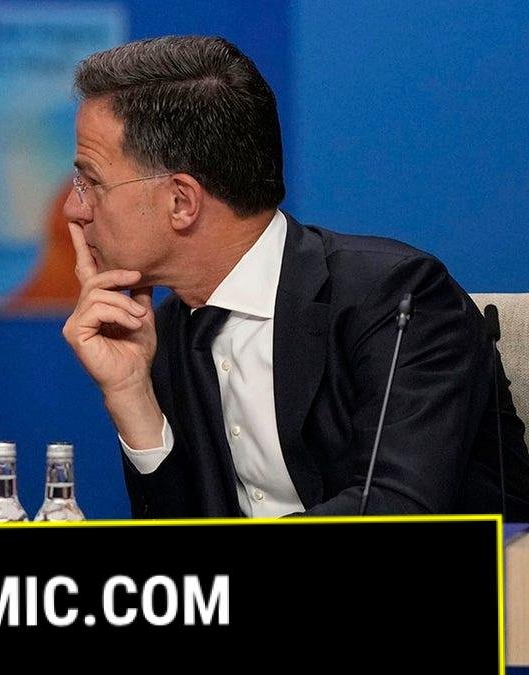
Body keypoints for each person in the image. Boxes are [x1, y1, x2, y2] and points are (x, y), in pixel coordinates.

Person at [62, 36, 529, 518]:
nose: (73, 209)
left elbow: (397, 512)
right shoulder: (167, 335)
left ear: (181, 201)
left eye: (90, 182)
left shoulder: (399, 298)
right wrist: (131, 395)